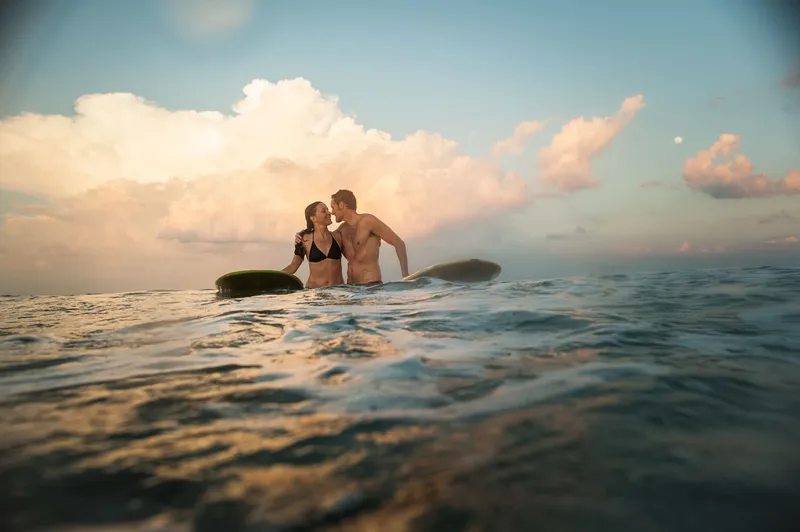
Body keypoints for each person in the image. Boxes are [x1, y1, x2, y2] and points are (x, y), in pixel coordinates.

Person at [296, 189, 409, 284]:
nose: (332, 212)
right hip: (350, 288)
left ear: (341, 205)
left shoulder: (368, 221)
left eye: (333, 207)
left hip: (371, 285)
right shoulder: (341, 230)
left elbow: (399, 243)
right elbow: (323, 236)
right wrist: (301, 235)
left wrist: (405, 277)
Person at [282, 201, 345, 288]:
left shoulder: (338, 236)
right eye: (324, 211)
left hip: (338, 292)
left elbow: (353, 257)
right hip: (315, 293)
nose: (329, 213)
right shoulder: (304, 239)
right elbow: (293, 266)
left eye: (328, 210)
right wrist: (274, 277)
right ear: (313, 218)